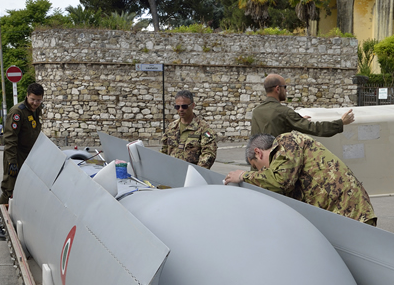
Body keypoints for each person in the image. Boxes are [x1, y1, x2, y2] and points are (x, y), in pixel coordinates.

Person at [223, 132, 377, 226]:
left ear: (258, 153)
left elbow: (280, 182)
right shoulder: (284, 160)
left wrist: (243, 176)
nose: (260, 171)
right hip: (343, 214)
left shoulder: (287, 141)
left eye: (256, 167)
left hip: (350, 213)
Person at [0, 82, 44, 239]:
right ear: (27, 96)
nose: (35, 103)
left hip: (29, 157)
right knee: (9, 189)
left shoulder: (36, 110)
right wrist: (12, 162)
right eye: (33, 99)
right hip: (15, 155)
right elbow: (10, 139)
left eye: (38, 100)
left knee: (27, 190)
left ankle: (17, 221)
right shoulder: (17, 112)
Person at [250, 73, 355, 138]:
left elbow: (267, 133)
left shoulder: (256, 111)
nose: (286, 91)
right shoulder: (284, 112)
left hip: (260, 165)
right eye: (284, 87)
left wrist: (295, 121)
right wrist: (341, 122)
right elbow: (315, 128)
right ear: (277, 89)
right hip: (277, 164)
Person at [161, 90, 217, 169]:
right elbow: (164, 151)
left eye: (184, 106)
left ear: (193, 105)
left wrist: (196, 172)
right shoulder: (171, 127)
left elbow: (209, 154)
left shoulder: (203, 128)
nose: (180, 109)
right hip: (172, 172)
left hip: (191, 173)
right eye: (177, 107)